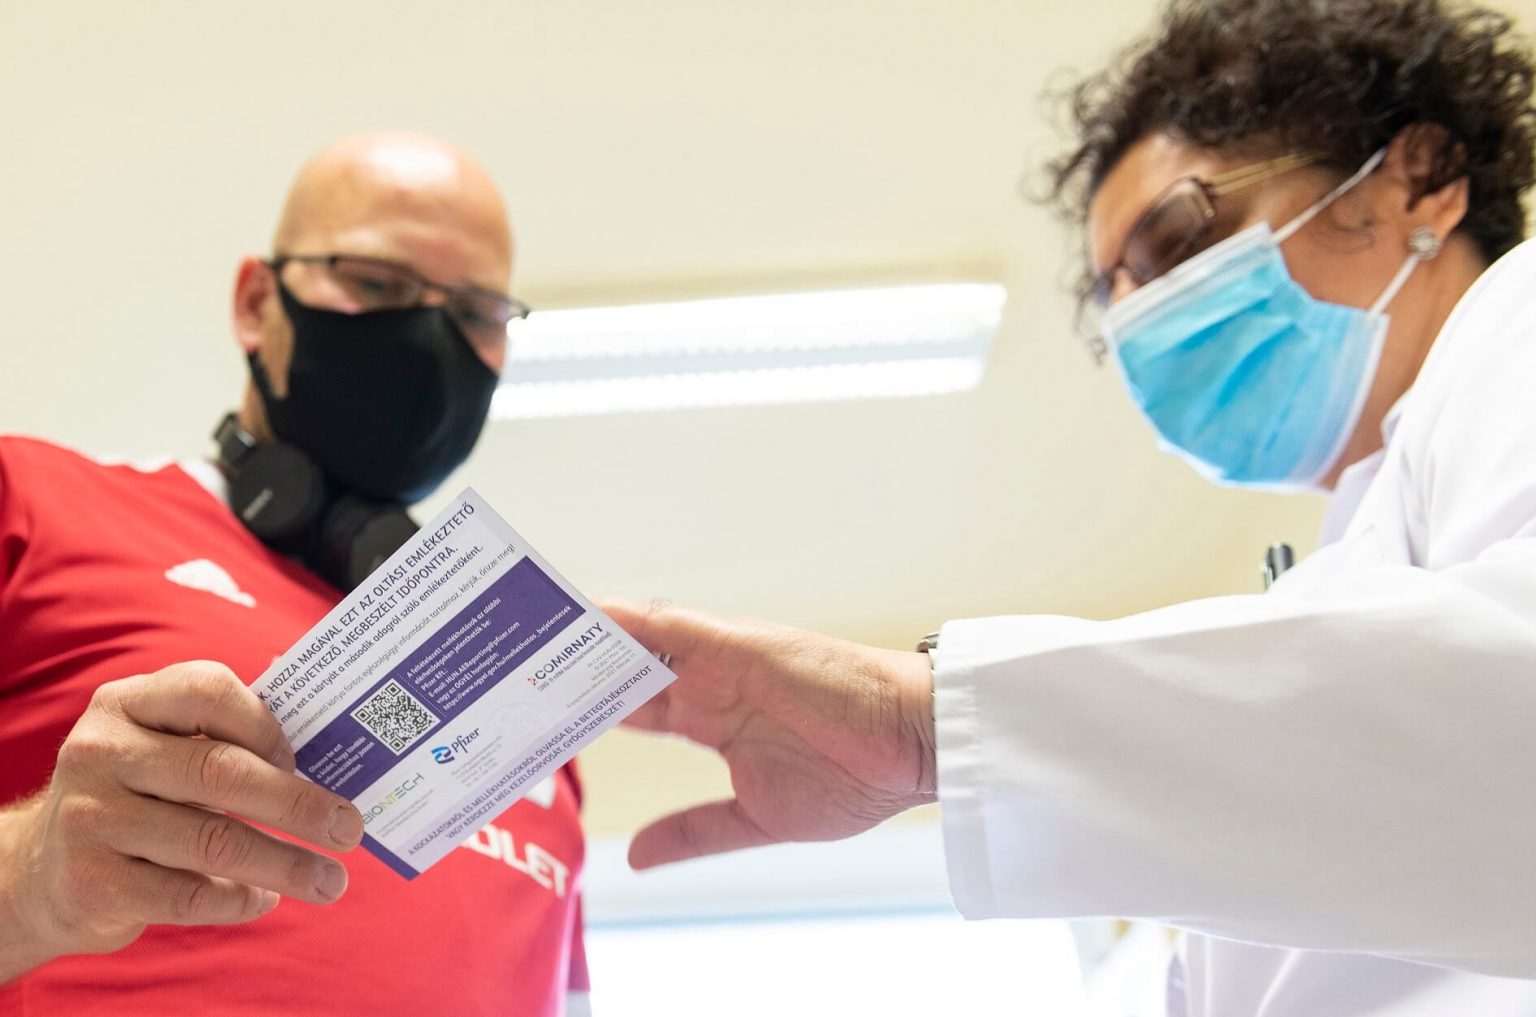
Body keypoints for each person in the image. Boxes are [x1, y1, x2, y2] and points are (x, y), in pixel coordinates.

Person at [604, 1, 1536, 1013]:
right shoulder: (1356, 547)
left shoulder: (1518, 320)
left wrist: (923, 728)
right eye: (1114, 298)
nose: (1140, 317)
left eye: (1175, 240)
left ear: (1419, 179)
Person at [0, 133, 589, 1016]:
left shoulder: (534, 698)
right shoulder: (30, 501)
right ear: (255, 304)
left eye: (476, 313)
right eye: (379, 285)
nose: (429, 340)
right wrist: (30, 877)